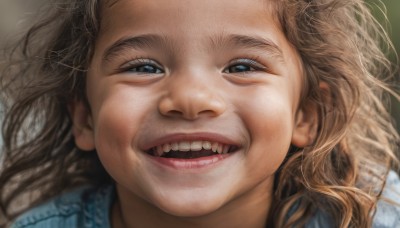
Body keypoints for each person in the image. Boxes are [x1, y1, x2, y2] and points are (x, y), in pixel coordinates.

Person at [1, 0, 399, 227]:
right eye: (143, 67)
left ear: (306, 115)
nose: (190, 99)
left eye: (242, 67)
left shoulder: (374, 219)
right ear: (85, 116)